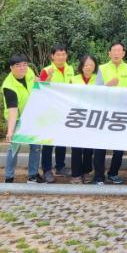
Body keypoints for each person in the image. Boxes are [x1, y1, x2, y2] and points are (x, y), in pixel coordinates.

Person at [93, 42, 127, 185]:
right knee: (100, 146)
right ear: (109, 53)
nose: (116, 53)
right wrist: (107, 86)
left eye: (119, 50)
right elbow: (96, 91)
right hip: (105, 112)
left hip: (122, 113)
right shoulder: (102, 68)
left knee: (119, 147)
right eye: (114, 50)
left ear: (123, 53)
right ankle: (98, 176)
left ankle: (113, 173)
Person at [2, 54, 43, 183]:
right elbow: (13, 110)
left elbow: (35, 80)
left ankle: (33, 175)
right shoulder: (9, 86)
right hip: (17, 119)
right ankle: (9, 177)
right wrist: (10, 131)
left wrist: (40, 80)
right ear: (11, 68)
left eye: (24, 64)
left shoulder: (29, 71)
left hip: (32, 116)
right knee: (14, 147)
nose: (22, 68)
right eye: (18, 65)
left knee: (36, 146)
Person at [39, 44, 74, 183]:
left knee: (62, 140)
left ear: (67, 55)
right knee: (48, 142)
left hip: (65, 110)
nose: (61, 57)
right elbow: (40, 89)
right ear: (52, 56)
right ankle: (47, 170)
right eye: (58, 54)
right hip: (50, 112)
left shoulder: (70, 69)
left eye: (63, 54)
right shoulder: (46, 70)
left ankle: (60, 167)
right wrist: (47, 79)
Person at [69, 54, 97, 184]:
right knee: (76, 148)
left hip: (92, 117)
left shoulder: (98, 80)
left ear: (95, 66)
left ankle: (86, 172)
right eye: (86, 65)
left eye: (91, 65)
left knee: (88, 148)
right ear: (81, 66)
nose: (89, 67)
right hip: (77, 116)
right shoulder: (73, 79)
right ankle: (76, 174)